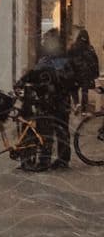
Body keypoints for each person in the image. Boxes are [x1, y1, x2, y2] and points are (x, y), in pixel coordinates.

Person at [17, 30, 75, 170]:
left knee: (55, 130)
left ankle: (57, 160)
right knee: (48, 129)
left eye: (46, 40)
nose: (44, 42)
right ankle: (49, 160)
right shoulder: (47, 58)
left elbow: (65, 79)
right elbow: (35, 72)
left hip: (58, 100)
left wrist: (52, 86)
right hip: (49, 100)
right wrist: (23, 81)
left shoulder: (61, 59)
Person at [68, 27, 99, 113]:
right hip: (86, 73)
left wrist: (69, 71)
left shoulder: (73, 47)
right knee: (85, 91)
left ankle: (77, 103)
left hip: (75, 72)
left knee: (74, 89)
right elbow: (95, 61)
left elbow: (68, 59)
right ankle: (84, 111)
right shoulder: (90, 48)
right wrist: (95, 74)